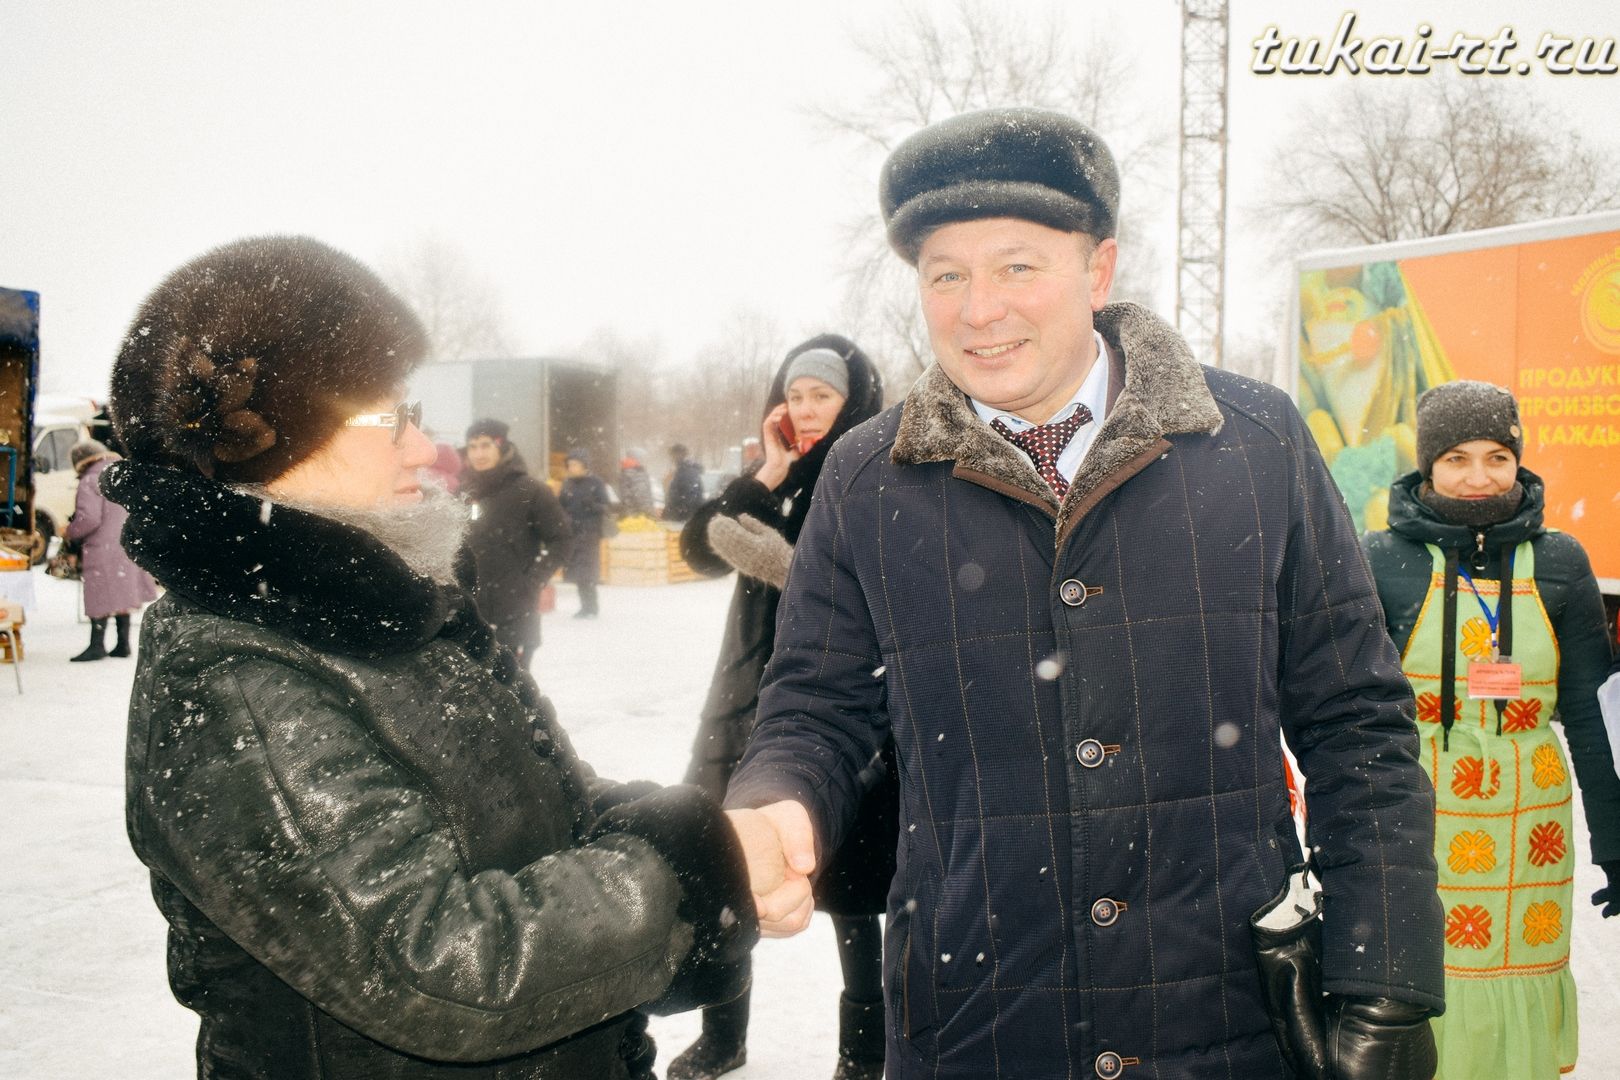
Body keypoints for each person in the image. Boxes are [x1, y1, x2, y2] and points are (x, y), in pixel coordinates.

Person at [722, 108, 1446, 1079]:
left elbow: (1356, 722)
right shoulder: (867, 479)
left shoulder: (1256, 445)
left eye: (1017, 266)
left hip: (1228, 1021)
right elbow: (815, 704)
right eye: (947, 274)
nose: (980, 308)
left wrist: (1385, 973)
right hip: (974, 1021)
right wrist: (778, 804)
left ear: (1098, 270)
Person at [103, 235, 759, 1079]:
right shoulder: (237, 675)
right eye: (390, 417)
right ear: (271, 436)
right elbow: (442, 967)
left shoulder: (386, 608)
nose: (425, 449)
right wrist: (674, 878)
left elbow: (548, 803)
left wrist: (690, 832)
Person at [1361, 380, 1620, 1079]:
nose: (1479, 478)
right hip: (1419, 818)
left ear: (1518, 460)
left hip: (1529, 832)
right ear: (1426, 466)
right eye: (1456, 458)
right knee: (1423, 993)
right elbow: (1351, 717)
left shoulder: (1562, 561)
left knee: (1514, 990)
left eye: (1497, 457)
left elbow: (1595, 719)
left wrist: (1617, 842)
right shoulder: (1383, 559)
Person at [671, 337, 890, 1080]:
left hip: (837, 703)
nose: (804, 410)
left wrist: (775, 547)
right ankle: (722, 1035)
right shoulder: (781, 478)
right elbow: (698, 548)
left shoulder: (871, 472)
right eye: (794, 396)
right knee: (730, 866)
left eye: (820, 396)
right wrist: (765, 471)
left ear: (851, 399)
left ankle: (865, 1049)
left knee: (852, 890)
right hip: (744, 699)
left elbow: (856, 582)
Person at [459, 418, 572, 669]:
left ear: (502, 447)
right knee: (473, 695)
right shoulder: (463, 492)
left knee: (513, 690)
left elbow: (561, 539)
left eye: (486, 445)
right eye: (473, 446)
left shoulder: (530, 491)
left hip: (515, 610)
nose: (479, 453)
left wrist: (533, 580)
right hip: (471, 611)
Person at [62, 439, 157, 661]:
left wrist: (71, 531)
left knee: (100, 593)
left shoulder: (90, 479)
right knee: (122, 592)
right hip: (128, 543)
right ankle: (122, 644)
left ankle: (97, 645)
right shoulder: (124, 474)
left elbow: (89, 518)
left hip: (102, 546)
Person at [559, 448, 611, 617]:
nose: (571, 467)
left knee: (587, 571)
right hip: (573, 532)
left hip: (590, 533)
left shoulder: (596, 482)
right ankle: (585, 606)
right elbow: (560, 505)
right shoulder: (567, 483)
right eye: (570, 465)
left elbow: (606, 507)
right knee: (578, 572)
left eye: (575, 464)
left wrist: (592, 505)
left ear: (584, 465)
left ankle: (591, 607)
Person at [663, 443, 705, 522]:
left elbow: (690, 496)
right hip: (684, 515)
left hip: (685, 517)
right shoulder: (682, 470)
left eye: (673, 455)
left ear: (681, 454)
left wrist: (679, 511)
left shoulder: (687, 471)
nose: (672, 458)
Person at [619, 447, 656, 517]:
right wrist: (649, 512)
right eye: (644, 458)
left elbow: (627, 494)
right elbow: (641, 494)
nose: (646, 461)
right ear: (638, 458)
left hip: (629, 512)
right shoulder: (637, 472)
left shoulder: (625, 470)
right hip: (638, 515)